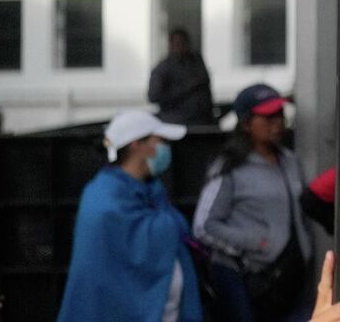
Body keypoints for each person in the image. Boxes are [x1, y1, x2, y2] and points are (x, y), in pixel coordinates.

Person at [58, 110, 201, 322]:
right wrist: (170, 225)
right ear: (137, 145)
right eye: (160, 141)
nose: (165, 148)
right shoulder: (104, 199)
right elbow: (165, 230)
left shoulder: (148, 191)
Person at [193, 84, 312, 322]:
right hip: (243, 276)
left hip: (288, 276)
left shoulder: (289, 161)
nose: (277, 123)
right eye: (267, 118)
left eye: (279, 115)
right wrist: (255, 243)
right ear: (246, 123)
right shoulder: (229, 166)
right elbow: (204, 226)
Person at [148, 28, 215, 126]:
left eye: (184, 43)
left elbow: (204, 82)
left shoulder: (196, 61)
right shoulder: (163, 69)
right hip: (176, 120)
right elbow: (153, 97)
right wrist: (186, 87)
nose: (181, 47)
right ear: (171, 45)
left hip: (202, 119)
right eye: (178, 43)